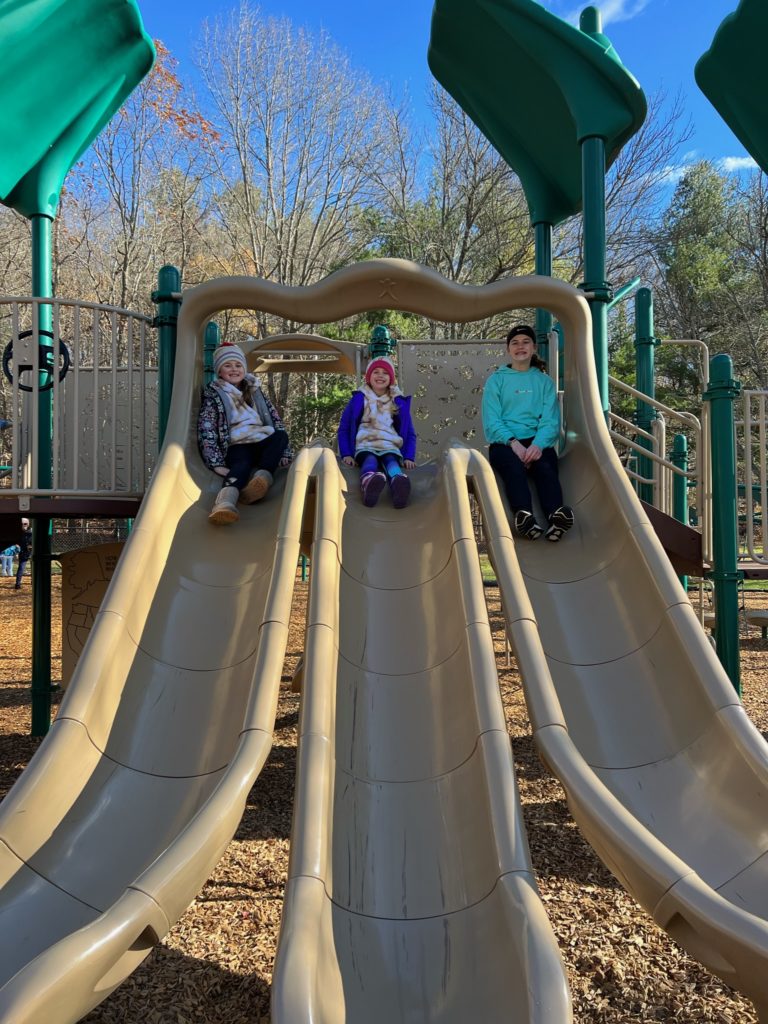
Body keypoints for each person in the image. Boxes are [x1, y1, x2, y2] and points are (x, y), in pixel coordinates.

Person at [482, 324, 574, 541]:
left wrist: (538, 445)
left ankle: (555, 516)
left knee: (545, 467)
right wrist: (514, 443)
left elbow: (550, 420)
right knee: (513, 469)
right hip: (505, 443)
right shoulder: (497, 380)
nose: (520, 346)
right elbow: (492, 420)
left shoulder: (544, 382)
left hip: (536, 441)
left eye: (525, 342)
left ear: (534, 348)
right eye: (514, 343)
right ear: (508, 349)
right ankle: (524, 516)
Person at [198, 341, 292, 526]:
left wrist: (285, 453)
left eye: (238, 365)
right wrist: (216, 463)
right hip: (237, 444)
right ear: (219, 371)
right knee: (240, 467)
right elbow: (206, 428)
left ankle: (261, 480)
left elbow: (275, 419)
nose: (234, 369)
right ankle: (225, 503)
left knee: (280, 436)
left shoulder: (255, 391)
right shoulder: (214, 395)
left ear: (244, 369)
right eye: (228, 365)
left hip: (261, 439)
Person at [337, 356, 417, 509]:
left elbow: (409, 431)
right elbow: (345, 427)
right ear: (369, 377)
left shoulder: (397, 401)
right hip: (365, 443)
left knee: (391, 461)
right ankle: (368, 483)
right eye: (376, 372)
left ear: (391, 378)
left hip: (389, 444)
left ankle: (399, 485)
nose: (380, 376)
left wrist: (408, 456)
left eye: (385, 373)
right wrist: (346, 453)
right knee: (370, 460)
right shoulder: (359, 399)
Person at [15, 518, 32, 588]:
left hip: (32, 552)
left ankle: (33, 581)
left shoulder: (32, 532)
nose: (23, 525)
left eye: (25, 524)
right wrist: (17, 551)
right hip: (23, 552)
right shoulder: (18, 533)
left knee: (34, 567)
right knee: (21, 567)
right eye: (22, 524)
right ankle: (17, 584)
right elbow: (17, 544)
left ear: (28, 524)